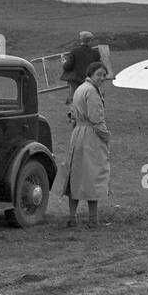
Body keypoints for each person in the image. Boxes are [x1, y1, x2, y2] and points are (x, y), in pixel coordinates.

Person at [52, 61, 111, 228]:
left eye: (104, 75)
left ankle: (72, 217)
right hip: (90, 135)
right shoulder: (91, 92)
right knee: (93, 174)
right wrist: (106, 136)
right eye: (99, 74)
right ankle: (93, 220)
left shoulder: (80, 88)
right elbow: (96, 119)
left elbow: (71, 112)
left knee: (75, 175)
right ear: (91, 74)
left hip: (77, 133)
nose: (102, 78)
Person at [60, 31, 100, 105]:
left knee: (74, 99)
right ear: (90, 40)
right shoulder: (95, 53)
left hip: (76, 81)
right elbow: (98, 67)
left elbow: (67, 67)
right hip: (90, 81)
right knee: (88, 100)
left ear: (81, 40)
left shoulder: (75, 51)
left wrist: (63, 63)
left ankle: (74, 114)